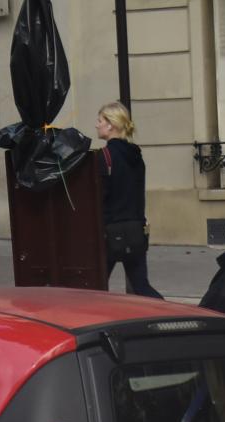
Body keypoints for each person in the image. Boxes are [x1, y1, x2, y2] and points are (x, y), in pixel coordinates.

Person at [95, 101, 163, 299]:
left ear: (111, 125)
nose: (96, 125)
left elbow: (101, 196)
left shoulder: (104, 156)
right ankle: (169, 315)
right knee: (141, 286)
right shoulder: (136, 156)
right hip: (135, 229)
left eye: (100, 121)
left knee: (95, 289)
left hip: (110, 230)